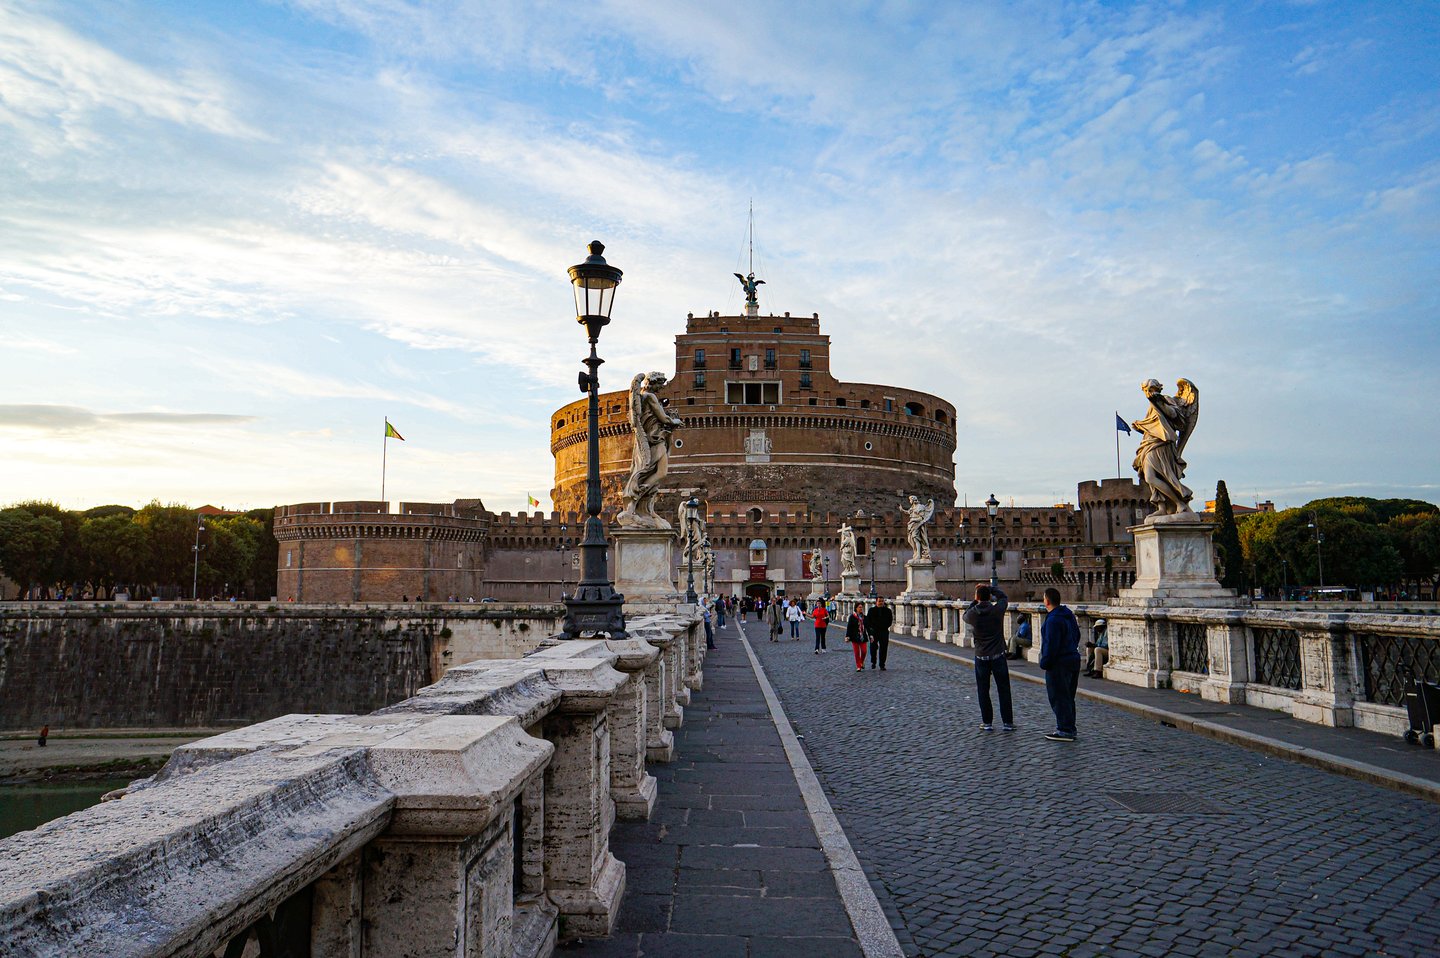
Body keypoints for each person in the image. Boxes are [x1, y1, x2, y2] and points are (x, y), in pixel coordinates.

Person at [963, 585, 1014, 731]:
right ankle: (1007, 723)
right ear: (989, 597)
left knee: (983, 690)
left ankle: (987, 722)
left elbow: (965, 615)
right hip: (998, 655)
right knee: (1003, 689)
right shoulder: (997, 610)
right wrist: (991, 589)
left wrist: (975, 601)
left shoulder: (973, 614)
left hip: (981, 656)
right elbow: (1004, 597)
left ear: (977, 597)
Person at [1039, 587, 1082, 741]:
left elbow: (1051, 644)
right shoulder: (1068, 615)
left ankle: (1064, 729)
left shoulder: (1053, 619)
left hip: (1059, 663)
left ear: (1047, 601)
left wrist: (1045, 662)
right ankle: (1070, 727)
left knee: (1058, 696)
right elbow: (1077, 635)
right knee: (1069, 696)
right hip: (1073, 659)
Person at [864, 597, 894, 670]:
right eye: (879, 601)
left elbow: (890, 621)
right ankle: (873, 661)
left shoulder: (888, 611)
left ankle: (882, 664)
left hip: (884, 631)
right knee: (873, 647)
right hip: (874, 632)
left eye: (882, 601)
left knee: (884, 648)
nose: (881, 602)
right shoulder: (871, 610)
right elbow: (868, 622)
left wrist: (884, 626)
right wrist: (870, 632)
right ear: (876, 602)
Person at [846, 603, 869, 672]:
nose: (861, 609)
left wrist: (871, 635)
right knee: (856, 652)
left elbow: (868, 627)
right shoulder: (852, 617)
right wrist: (847, 636)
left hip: (863, 636)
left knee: (864, 651)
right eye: (859, 607)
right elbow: (849, 627)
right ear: (856, 608)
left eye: (862, 607)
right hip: (854, 637)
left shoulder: (865, 617)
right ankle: (858, 666)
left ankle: (861, 662)